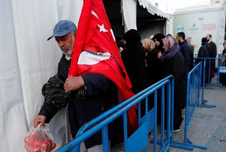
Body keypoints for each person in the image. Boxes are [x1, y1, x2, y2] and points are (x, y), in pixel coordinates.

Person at [34, 20, 122, 151]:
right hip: (78, 127)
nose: (61, 44)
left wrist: (84, 80)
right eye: (57, 41)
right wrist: (44, 114)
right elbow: (59, 89)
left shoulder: (95, 52)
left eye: (64, 39)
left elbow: (110, 77)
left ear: (75, 35)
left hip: (98, 124)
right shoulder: (64, 62)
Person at [160, 35, 187, 131]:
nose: (163, 47)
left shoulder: (177, 55)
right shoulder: (170, 54)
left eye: (164, 45)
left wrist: (171, 87)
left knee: (175, 107)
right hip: (171, 86)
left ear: (169, 44)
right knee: (172, 107)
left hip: (175, 87)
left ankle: (175, 125)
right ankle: (171, 124)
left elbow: (176, 74)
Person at [121, 29, 149, 94]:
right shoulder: (138, 49)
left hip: (135, 84)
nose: (124, 43)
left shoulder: (133, 52)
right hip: (140, 83)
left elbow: (132, 68)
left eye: (125, 40)